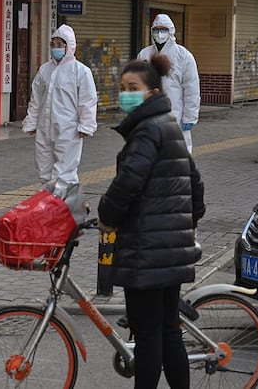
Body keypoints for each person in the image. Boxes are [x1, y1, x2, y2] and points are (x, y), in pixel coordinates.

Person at [97, 54, 205, 389]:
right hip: (169, 250)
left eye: (134, 88)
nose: (126, 94)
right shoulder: (168, 124)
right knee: (168, 330)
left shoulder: (146, 131)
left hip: (146, 252)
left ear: (152, 91)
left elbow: (128, 182)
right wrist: (185, 225)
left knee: (148, 338)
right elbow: (196, 183)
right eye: (123, 88)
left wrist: (106, 216)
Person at [22, 24, 97, 185]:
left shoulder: (81, 71)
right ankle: (50, 206)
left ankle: (68, 207)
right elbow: (36, 99)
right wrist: (32, 122)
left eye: (60, 44)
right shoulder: (44, 70)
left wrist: (86, 126)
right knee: (44, 171)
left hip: (68, 130)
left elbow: (87, 101)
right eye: (53, 44)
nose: (55, 48)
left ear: (69, 46)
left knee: (64, 174)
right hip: (44, 128)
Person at [137, 13, 200, 153]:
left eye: (163, 29)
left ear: (171, 31)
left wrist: (190, 116)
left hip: (175, 115)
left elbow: (191, 89)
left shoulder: (183, 56)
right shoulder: (144, 55)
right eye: (156, 29)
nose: (159, 33)